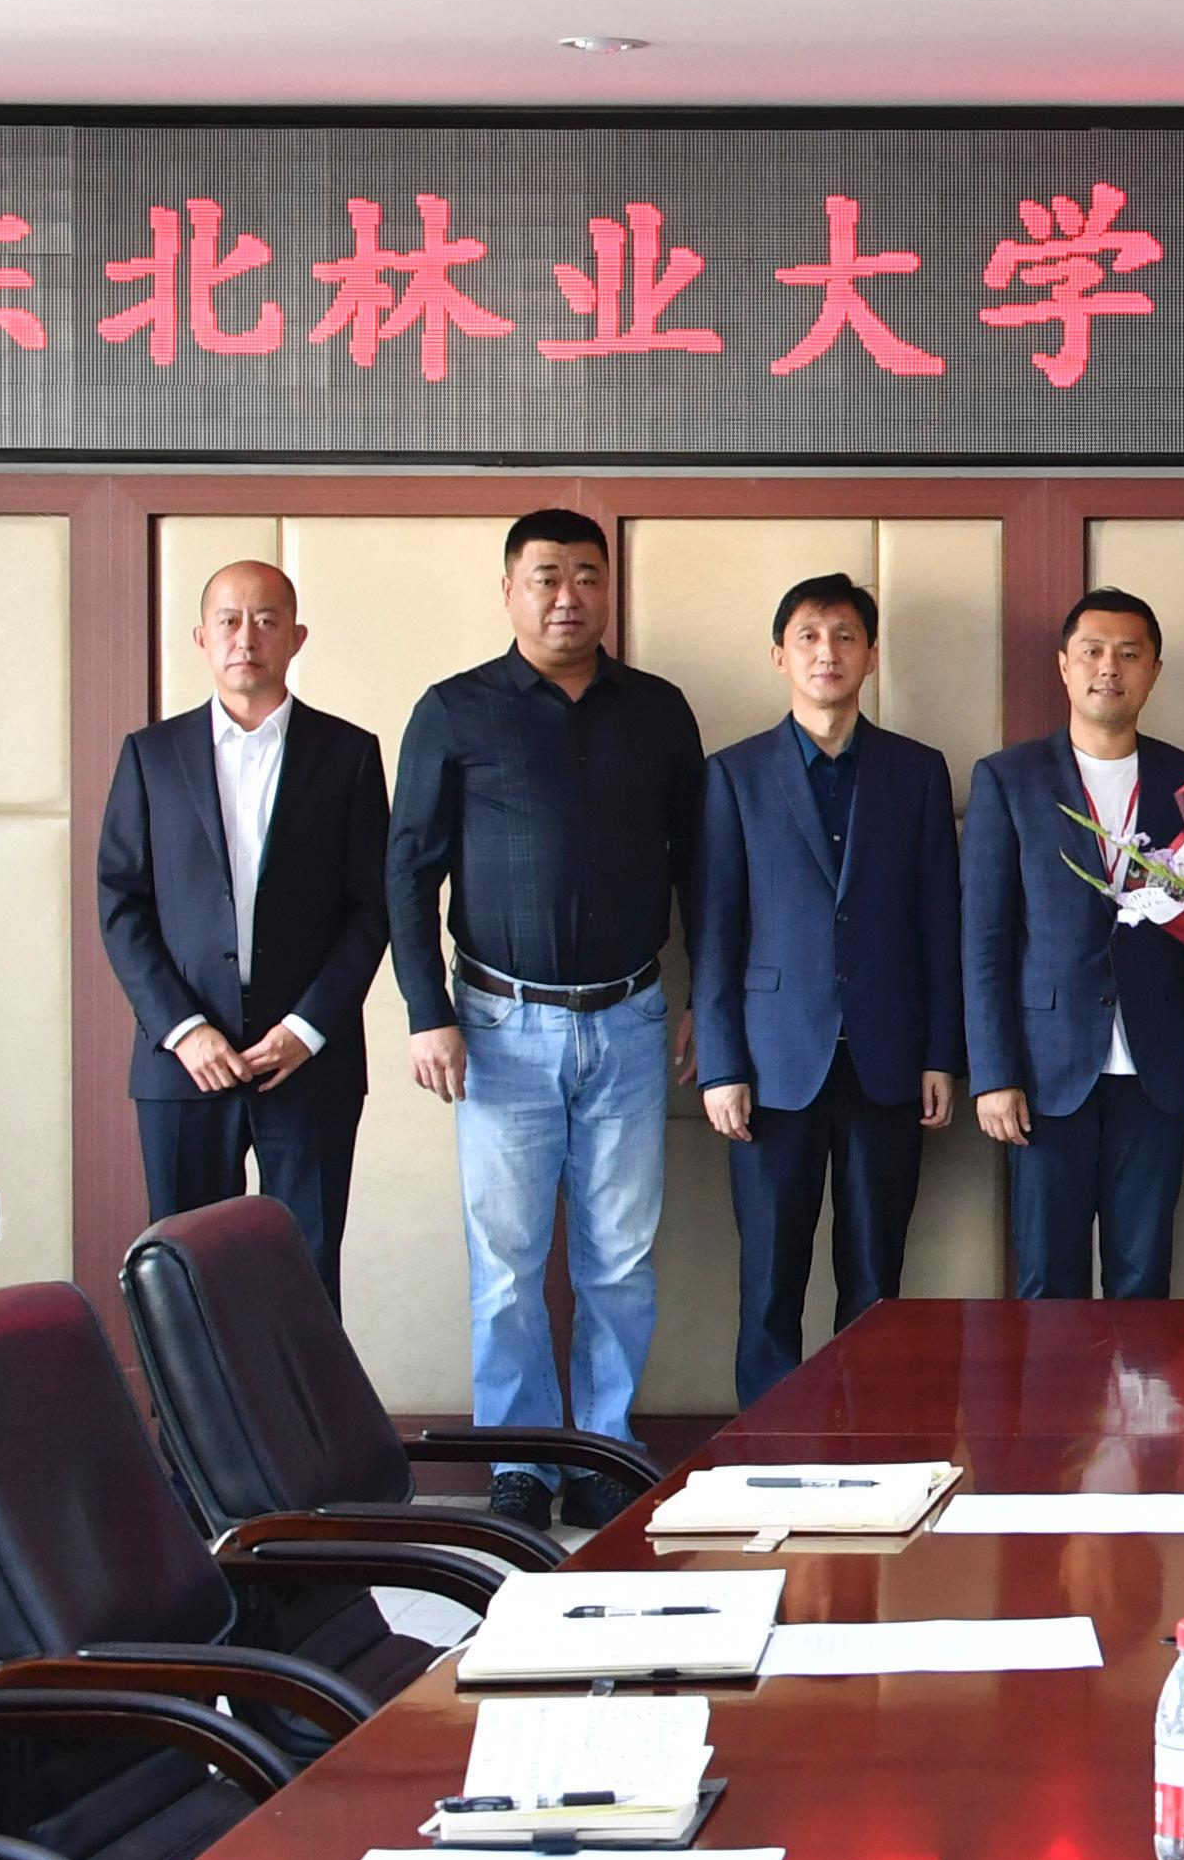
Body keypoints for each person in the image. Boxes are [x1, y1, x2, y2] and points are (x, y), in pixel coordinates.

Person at [389, 508, 704, 1527]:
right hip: (496, 1027)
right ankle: (519, 1460)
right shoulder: (455, 710)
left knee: (621, 1258)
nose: (568, 596)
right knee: (507, 1262)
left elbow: (700, 866)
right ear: (510, 590)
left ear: (608, 588)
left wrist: (703, 1001)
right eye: (546, 576)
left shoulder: (658, 711)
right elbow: (407, 872)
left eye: (586, 576)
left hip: (631, 1018)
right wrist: (425, 1010)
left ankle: (604, 1449)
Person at [692, 573, 963, 1411]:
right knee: (770, 1275)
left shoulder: (916, 771)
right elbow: (715, 928)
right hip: (771, 1061)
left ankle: (868, 1434)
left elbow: (939, 922)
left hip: (887, 1055)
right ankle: (766, 1443)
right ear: (779, 655)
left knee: (876, 1273)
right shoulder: (733, 774)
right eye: (807, 636)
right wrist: (720, 1064)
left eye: (845, 636)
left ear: (871, 655)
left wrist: (940, 1054)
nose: (827, 652)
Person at [94, 559, 389, 1300]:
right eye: (228, 620)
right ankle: (190, 1397)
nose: (245, 638)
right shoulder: (150, 756)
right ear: (201, 637)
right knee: (183, 1278)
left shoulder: (349, 754)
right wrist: (184, 1029)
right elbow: (122, 904)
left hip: (307, 1060)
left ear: (296, 636)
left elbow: (371, 907)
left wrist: (308, 1027)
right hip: (182, 1063)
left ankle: (300, 1390)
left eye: (265, 620)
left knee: (306, 1276)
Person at [962, 588, 1184, 1299]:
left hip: (1158, 1068)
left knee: (1144, 1277)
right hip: (1044, 1072)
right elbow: (984, 941)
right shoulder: (1008, 778)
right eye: (1093, 651)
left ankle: (1136, 1386)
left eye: (1129, 653)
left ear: (1154, 670)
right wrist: (993, 1073)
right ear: (1064, 665)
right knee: (1047, 1280)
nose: (1110, 667)